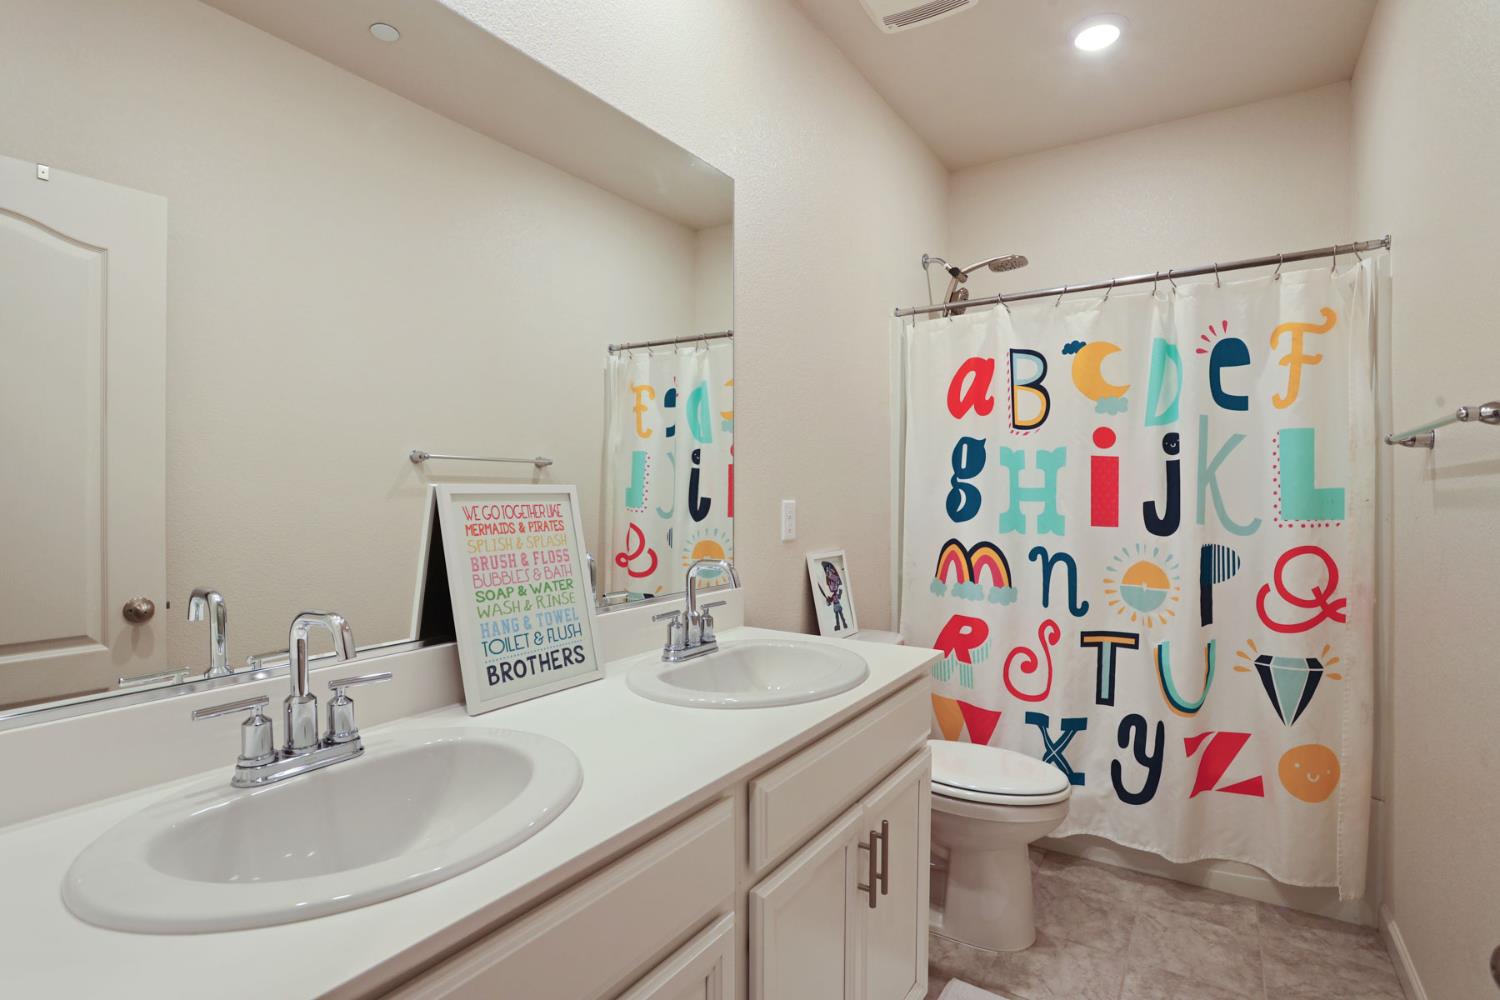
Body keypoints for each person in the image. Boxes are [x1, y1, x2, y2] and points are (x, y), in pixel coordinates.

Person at [817, 560, 849, 631]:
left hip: (837, 605)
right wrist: (829, 601)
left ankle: (844, 623)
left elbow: (838, 596)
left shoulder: (836, 588)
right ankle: (839, 625)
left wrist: (838, 595)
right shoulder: (834, 593)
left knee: (841, 615)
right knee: (837, 616)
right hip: (835, 606)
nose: (831, 586)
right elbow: (830, 602)